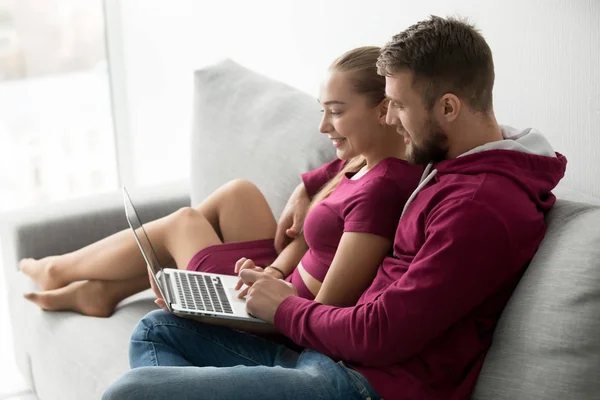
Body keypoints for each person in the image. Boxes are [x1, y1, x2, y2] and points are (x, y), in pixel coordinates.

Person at [101, 15, 568, 400]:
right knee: (156, 331)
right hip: (331, 357)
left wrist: (283, 308)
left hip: (369, 386)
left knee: (131, 393)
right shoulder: (455, 154)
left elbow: (381, 333)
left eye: (397, 107)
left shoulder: (479, 207)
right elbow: (361, 168)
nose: (390, 120)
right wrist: (309, 187)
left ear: (448, 107)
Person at [19, 46, 423, 317]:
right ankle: (104, 292)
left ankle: (59, 269)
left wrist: (270, 288)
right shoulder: (357, 161)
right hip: (276, 279)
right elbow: (319, 218)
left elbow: (323, 312)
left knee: (184, 222)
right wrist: (278, 266)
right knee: (238, 194)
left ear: (385, 109)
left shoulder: (383, 187)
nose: (322, 127)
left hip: (279, 313)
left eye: (335, 112)